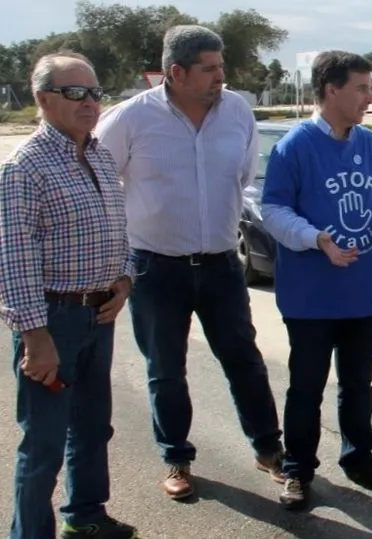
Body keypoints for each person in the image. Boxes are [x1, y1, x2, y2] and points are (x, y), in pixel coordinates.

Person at [95, 25, 284, 500]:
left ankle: (269, 449)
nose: (222, 76)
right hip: (155, 268)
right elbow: (97, 183)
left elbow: (240, 177)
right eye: (210, 68)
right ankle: (176, 458)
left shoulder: (238, 111)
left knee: (244, 359)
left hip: (222, 266)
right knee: (165, 368)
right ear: (175, 73)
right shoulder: (129, 119)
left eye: (222, 66)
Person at [261, 50, 372, 510]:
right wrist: (315, 238)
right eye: (363, 88)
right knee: (306, 387)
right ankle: (297, 470)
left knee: (357, 385)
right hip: (311, 296)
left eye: (371, 87)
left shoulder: (368, 142)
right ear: (331, 90)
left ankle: (359, 457)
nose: (371, 96)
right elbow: (273, 210)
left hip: (363, 290)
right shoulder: (295, 145)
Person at [0, 51, 137, 539]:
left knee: (93, 427)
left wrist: (123, 280)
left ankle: (86, 516)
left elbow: (118, 229)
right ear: (42, 99)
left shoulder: (98, 153)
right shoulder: (24, 169)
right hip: (53, 319)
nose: (89, 102)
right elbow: (13, 262)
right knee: (43, 444)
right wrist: (35, 338)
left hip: (99, 313)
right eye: (75, 92)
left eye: (95, 92)